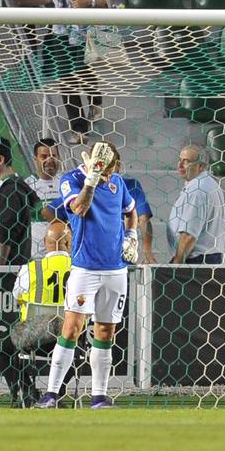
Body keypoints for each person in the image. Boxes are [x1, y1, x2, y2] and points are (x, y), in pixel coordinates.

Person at [40, 139, 139, 409]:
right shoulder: (71, 179)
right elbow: (79, 208)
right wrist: (92, 180)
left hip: (116, 269)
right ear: (95, 163)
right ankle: (51, 394)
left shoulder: (117, 182)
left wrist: (131, 236)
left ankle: (99, 397)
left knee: (105, 331)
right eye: (106, 169)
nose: (110, 174)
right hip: (85, 268)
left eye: (113, 168)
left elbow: (131, 212)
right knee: (72, 328)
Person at [21, 0, 111, 141]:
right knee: (66, 79)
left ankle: (95, 100)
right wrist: (21, 2)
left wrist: (89, 3)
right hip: (59, 33)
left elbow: (108, 0)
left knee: (83, 73)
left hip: (85, 33)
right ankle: (79, 128)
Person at [0, 221, 73, 407]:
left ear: (43, 242)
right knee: (78, 349)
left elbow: (17, 298)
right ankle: (58, 391)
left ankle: (27, 392)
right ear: (70, 243)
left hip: (34, 341)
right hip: (69, 340)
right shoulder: (80, 269)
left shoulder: (29, 269)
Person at [0, 135, 39, 265]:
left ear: (0, 159)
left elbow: (7, 231)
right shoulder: (4, 188)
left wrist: (0, 268)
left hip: (7, 270)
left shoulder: (11, 190)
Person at [169, 144, 225, 264]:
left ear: (201, 166)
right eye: (180, 160)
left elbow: (189, 235)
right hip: (209, 257)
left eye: (186, 162)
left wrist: (176, 263)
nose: (180, 165)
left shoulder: (197, 190)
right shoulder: (210, 184)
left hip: (196, 260)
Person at [25, 137, 64, 259]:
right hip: (36, 255)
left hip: (64, 251)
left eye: (53, 156)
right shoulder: (26, 186)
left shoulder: (67, 184)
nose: (50, 160)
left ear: (59, 158)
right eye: (44, 156)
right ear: (35, 159)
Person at [120, 164, 157, 263]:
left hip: (122, 251)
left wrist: (147, 251)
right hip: (120, 252)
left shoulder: (131, 185)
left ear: (118, 165)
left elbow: (144, 219)